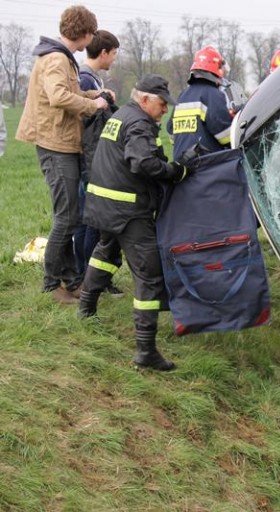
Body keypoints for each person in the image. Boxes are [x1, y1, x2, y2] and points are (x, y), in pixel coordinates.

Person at [78, 74, 189, 371]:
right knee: (149, 276)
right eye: (162, 104)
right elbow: (142, 163)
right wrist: (175, 171)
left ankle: (85, 310)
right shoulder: (140, 123)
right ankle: (145, 350)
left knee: (105, 253)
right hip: (127, 209)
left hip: (104, 204)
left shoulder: (122, 116)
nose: (165, 110)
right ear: (145, 100)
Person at [15, 5, 109, 305]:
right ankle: (51, 283)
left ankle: (71, 281)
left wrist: (96, 96)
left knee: (70, 216)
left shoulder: (60, 57)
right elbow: (58, 97)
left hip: (63, 143)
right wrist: (92, 107)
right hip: (54, 144)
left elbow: (68, 91)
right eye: (91, 34)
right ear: (83, 33)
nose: (91, 41)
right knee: (66, 218)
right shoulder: (56, 58)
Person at [74, 29, 123, 297]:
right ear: (104, 53)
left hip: (90, 160)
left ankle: (86, 277)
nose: (114, 59)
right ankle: (90, 279)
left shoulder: (91, 79)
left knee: (87, 220)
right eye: (114, 54)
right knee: (92, 222)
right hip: (90, 161)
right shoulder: (84, 78)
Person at [167, 46, 233, 161]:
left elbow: (171, 135)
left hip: (181, 169)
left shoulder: (183, 95)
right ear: (216, 72)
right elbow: (226, 137)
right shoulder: (213, 95)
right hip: (205, 169)